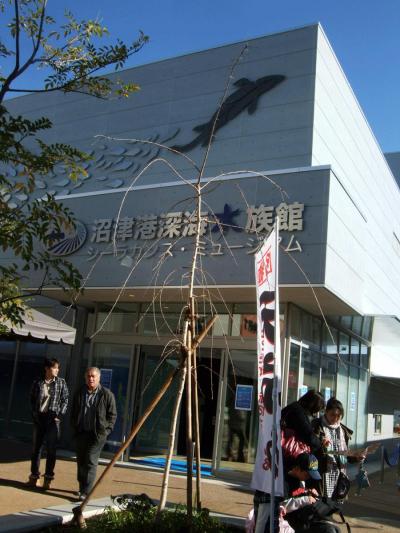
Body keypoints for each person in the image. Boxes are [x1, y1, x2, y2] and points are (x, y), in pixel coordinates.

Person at [70, 367, 117, 500]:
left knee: (90, 459)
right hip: (81, 432)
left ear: (99, 378)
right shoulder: (80, 392)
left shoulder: (107, 394)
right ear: (85, 378)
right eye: (89, 376)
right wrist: (74, 426)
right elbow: (73, 411)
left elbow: (112, 416)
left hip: (97, 435)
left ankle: (87, 491)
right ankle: (81, 488)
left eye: (93, 376)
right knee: (81, 460)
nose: (91, 379)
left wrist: (106, 431)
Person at [28, 357, 69, 489]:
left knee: (51, 450)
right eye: (54, 367)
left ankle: (48, 479)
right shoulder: (38, 382)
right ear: (47, 368)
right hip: (39, 418)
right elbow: (31, 399)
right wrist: (34, 414)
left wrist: (59, 415)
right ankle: (34, 476)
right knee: (36, 449)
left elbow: (65, 400)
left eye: (58, 368)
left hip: (53, 419)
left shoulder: (61, 383)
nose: (57, 370)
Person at [312, 397, 364, 500]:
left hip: (339, 474)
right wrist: (321, 444)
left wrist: (356, 457)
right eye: (332, 415)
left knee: (335, 503)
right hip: (322, 474)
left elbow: (345, 454)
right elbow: (309, 448)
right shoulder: (317, 425)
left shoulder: (342, 430)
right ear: (326, 412)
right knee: (321, 504)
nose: (335, 418)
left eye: (338, 416)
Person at [282, 453, 340, 533]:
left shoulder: (301, 479)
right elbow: (281, 506)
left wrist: (307, 492)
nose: (309, 477)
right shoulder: (284, 482)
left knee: (334, 528)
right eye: (307, 474)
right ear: (297, 468)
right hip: (290, 523)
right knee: (328, 530)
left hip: (304, 518)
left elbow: (298, 494)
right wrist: (305, 499)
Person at [281, 390, 327, 456]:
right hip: (290, 452)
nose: (315, 413)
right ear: (313, 406)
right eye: (317, 409)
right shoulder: (298, 412)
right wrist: (320, 444)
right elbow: (308, 435)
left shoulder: (293, 407)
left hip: (284, 449)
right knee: (311, 462)